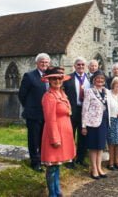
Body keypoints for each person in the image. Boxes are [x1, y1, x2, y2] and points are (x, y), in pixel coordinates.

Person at [40, 67, 75, 196]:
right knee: (52, 167)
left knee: (57, 165)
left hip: (64, 134)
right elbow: (50, 120)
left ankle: (57, 190)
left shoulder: (62, 93)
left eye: (59, 78)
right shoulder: (49, 97)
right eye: (54, 78)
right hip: (54, 135)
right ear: (49, 80)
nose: (57, 81)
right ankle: (52, 194)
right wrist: (55, 138)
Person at [18, 53, 50, 172]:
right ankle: (35, 162)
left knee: (44, 138)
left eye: (46, 62)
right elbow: (22, 94)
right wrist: (30, 107)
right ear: (37, 63)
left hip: (47, 114)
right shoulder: (29, 76)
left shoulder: (50, 76)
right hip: (33, 114)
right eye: (42, 62)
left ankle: (42, 159)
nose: (44, 64)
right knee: (34, 139)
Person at [63, 57, 91, 168]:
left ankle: (81, 158)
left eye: (82, 65)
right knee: (70, 135)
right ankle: (69, 160)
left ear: (85, 66)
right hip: (72, 110)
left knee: (83, 135)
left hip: (85, 111)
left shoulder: (89, 79)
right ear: (74, 66)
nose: (80, 66)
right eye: (78, 64)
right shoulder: (68, 78)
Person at [81, 71, 109, 179]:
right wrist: (83, 126)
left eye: (102, 79)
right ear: (94, 80)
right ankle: (93, 169)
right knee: (93, 147)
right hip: (92, 123)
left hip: (103, 122)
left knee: (100, 146)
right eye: (98, 78)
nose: (100, 80)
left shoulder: (106, 91)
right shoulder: (89, 91)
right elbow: (85, 109)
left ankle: (99, 167)